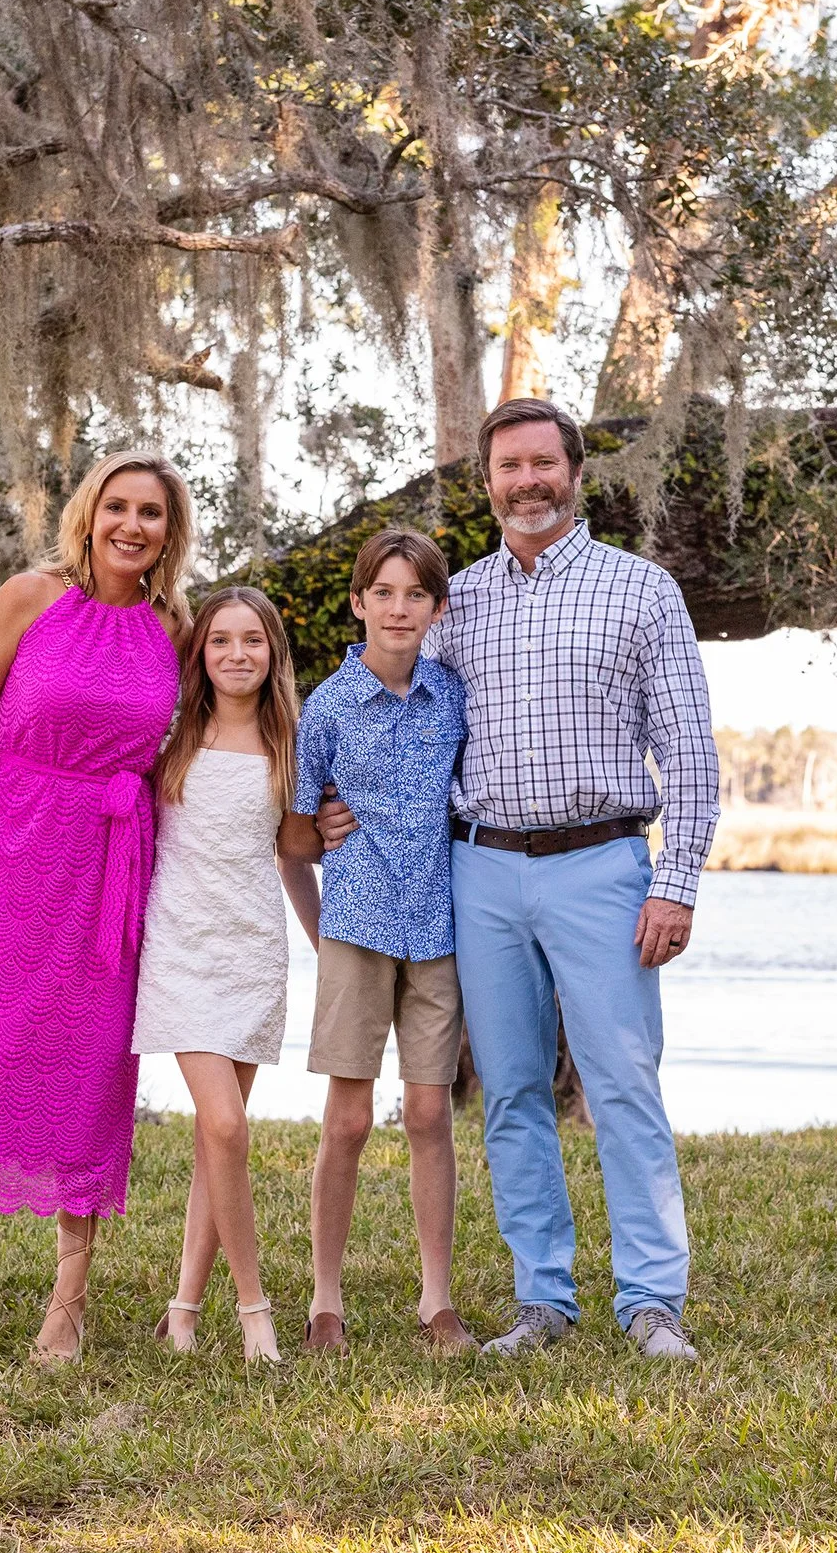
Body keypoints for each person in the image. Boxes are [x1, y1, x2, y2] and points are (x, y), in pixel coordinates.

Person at [317, 398, 719, 1362]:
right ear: (487, 481)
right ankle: (543, 1298)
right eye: (510, 467)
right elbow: (393, 709)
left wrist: (679, 879)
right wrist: (338, 805)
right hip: (483, 871)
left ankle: (652, 1300)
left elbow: (691, 751)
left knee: (623, 1081)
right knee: (509, 1093)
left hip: (605, 865)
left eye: (545, 462)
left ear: (575, 473)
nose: (527, 480)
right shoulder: (459, 605)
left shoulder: (641, 590)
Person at [0, 449, 190, 1367]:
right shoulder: (32, 596)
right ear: (90, 512)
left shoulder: (176, 627)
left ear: (169, 531)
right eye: (119, 506)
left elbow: (206, 745)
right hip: (8, 855)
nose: (133, 526)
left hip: (110, 870)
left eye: (151, 512)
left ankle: (67, 1303)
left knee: (88, 1073)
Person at [288, 529, 477, 1357]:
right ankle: (325, 1298)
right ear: (359, 601)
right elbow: (293, 836)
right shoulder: (325, 708)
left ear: (437, 609)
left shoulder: (454, 695)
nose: (400, 609)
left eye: (417, 595)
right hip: (356, 926)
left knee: (431, 1110)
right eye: (385, 593)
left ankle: (437, 1300)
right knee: (350, 1118)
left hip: (438, 925)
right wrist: (317, 931)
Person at [131, 587, 322, 1365]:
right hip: (178, 948)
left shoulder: (290, 744)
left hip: (252, 953)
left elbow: (296, 850)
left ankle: (181, 1310)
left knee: (221, 1145)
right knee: (226, 1128)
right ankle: (254, 1310)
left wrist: (325, 938)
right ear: (200, 653)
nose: (236, 654)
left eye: (252, 640)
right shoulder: (170, 735)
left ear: (273, 651)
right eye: (220, 641)